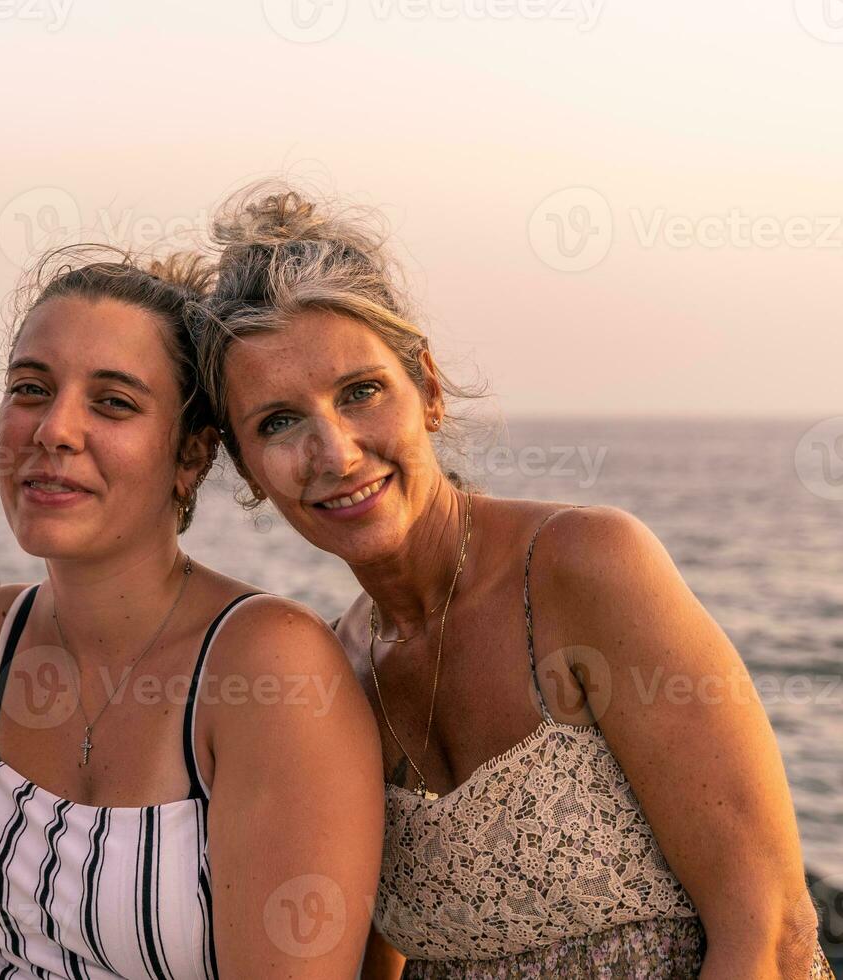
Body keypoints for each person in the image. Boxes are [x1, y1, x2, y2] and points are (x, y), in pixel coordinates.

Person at [193, 184, 835, 978]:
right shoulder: (338, 675)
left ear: (425, 388)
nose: (336, 452)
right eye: (278, 422)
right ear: (248, 471)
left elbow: (770, 933)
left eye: (361, 392)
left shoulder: (582, 568)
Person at [0, 248, 384, 979]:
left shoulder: (268, 668)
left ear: (191, 457)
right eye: (31, 389)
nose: (53, 430)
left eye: (113, 403)